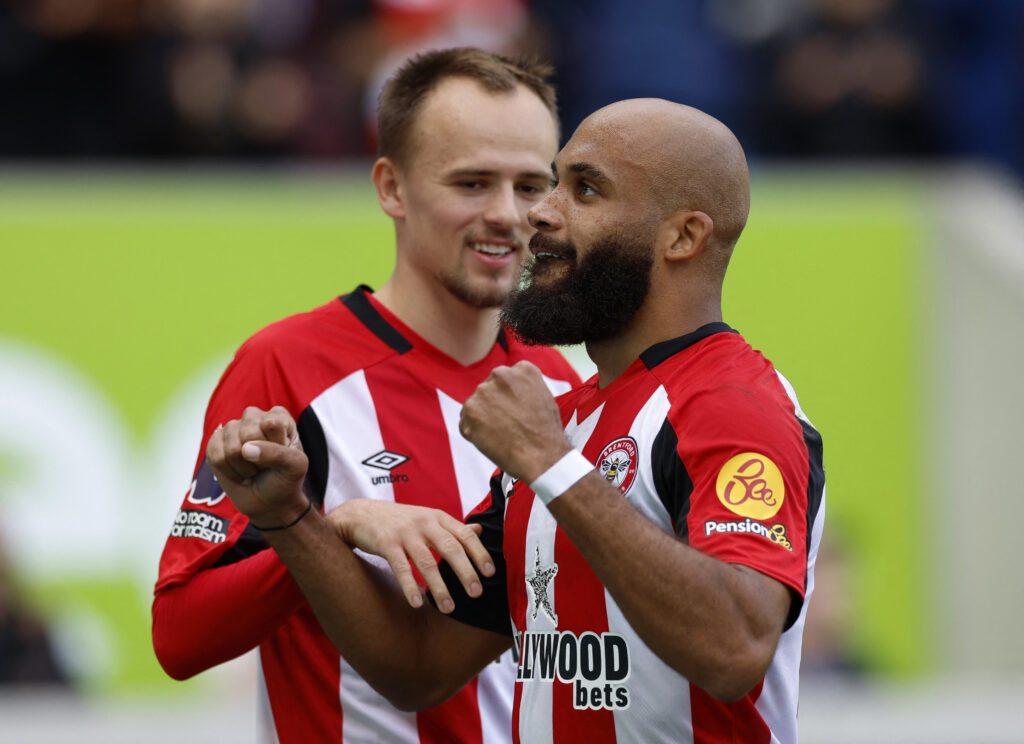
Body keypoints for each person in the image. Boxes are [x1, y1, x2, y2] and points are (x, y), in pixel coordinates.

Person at [206, 98, 826, 743]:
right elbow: (416, 667)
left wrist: (552, 464)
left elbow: (735, 647)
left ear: (683, 237)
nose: (540, 211)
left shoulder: (728, 401)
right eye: (555, 183)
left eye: (584, 189)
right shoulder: (567, 420)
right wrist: (293, 518)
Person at [151, 47, 582, 743]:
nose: (508, 214)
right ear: (391, 187)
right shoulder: (287, 368)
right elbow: (180, 638)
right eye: (472, 183)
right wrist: (328, 528)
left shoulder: (565, 385)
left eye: (531, 186)